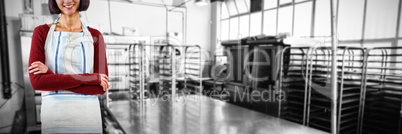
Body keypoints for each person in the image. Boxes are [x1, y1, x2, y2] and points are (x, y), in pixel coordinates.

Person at [28, 0, 109, 133]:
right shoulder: (41, 32)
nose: (67, 0)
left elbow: (100, 87)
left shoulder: (95, 36)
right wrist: (92, 78)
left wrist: (50, 76)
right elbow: (37, 83)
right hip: (54, 118)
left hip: (88, 119)